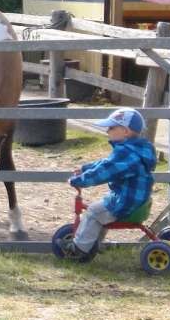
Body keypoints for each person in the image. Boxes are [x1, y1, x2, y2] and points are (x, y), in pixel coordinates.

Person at [65, 107, 156, 262]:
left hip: (126, 202)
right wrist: (85, 168)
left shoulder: (126, 154)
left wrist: (79, 180)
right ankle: (93, 243)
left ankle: (79, 249)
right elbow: (105, 163)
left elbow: (105, 171)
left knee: (93, 212)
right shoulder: (136, 149)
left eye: (112, 127)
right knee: (100, 210)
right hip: (134, 199)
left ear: (126, 131)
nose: (108, 131)